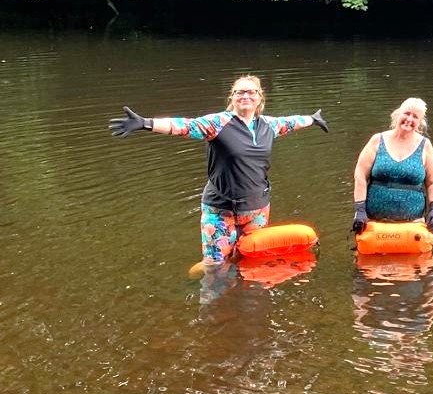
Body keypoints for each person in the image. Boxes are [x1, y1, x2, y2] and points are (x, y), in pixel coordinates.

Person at [108, 75, 328, 264]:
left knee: (250, 258)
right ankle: (213, 297)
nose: (245, 96)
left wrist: (313, 119)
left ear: (260, 97)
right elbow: (185, 126)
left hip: (257, 209)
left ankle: (246, 297)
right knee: (216, 266)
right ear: (232, 97)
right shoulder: (218, 123)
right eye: (240, 92)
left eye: (251, 92)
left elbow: (292, 122)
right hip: (220, 209)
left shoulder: (268, 125)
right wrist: (146, 123)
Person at [351, 98, 433, 234]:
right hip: (374, 222)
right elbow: (360, 175)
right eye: (407, 113)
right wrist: (360, 210)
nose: (409, 119)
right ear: (398, 114)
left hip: (413, 224)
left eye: (415, 117)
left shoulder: (425, 145)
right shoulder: (377, 140)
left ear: (419, 123)